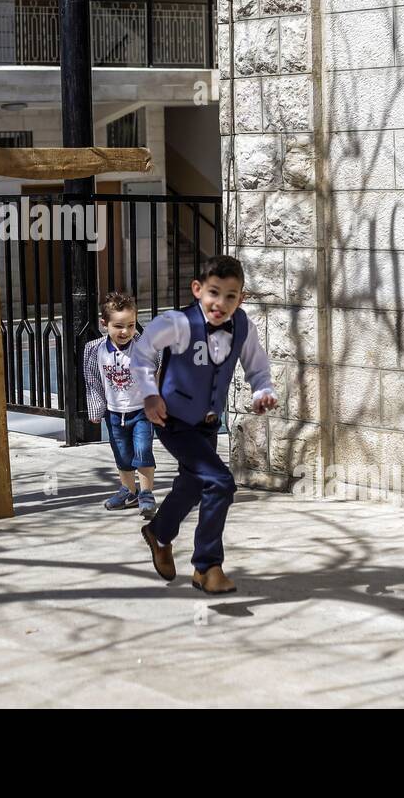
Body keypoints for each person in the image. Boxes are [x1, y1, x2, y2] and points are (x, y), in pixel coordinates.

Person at [131, 255, 277, 595]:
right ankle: (207, 567)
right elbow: (142, 353)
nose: (221, 303)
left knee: (194, 484)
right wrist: (150, 395)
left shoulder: (242, 326)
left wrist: (263, 391)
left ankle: (159, 532)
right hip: (173, 420)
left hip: (207, 423)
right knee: (221, 482)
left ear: (241, 298)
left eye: (230, 295)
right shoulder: (178, 323)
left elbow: (257, 367)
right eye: (214, 292)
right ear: (198, 290)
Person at [82, 291, 159, 518]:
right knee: (122, 455)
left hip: (141, 411)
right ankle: (128, 491)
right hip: (114, 414)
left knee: (142, 451)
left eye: (131, 325)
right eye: (118, 326)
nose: (125, 331)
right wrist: (96, 409)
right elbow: (93, 380)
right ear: (104, 324)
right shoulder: (94, 350)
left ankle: (146, 493)